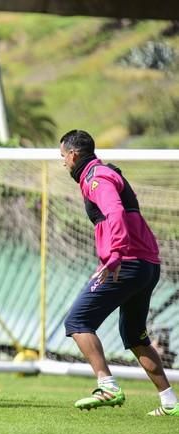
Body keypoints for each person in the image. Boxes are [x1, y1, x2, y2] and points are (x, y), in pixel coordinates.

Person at [60, 129, 178, 416]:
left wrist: (114, 256)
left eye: (62, 156)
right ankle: (170, 402)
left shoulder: (95, 177)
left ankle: (107, 385)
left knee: (77, 321)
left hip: (127, 262)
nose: (62, 162)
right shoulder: (102, 173)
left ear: (74, 154)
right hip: (146, 265)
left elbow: (114, 212)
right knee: (134, 334)